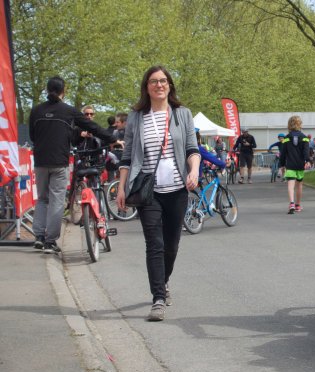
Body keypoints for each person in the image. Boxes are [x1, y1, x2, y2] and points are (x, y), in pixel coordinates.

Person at [116, 65, 200, 321]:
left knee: (171, 246)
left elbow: (191, 148)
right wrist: (121, 187)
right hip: (147, 190)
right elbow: (128, 155)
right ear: (147, 87)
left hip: (177, 189)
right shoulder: (136, 117)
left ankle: (163, 282)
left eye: (163, 81)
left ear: (169, 85)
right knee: (155, 244)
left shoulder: (182, 114)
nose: (159, 85)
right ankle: (158, 299)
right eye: (153, 81)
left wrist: (193, 170)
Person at [29, 77, 117, 253]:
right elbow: (92, 127)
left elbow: (32, 136)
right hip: (59, 161)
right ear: (64, 91)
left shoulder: (36, 111)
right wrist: (114, 139)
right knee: (56, 200)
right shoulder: (68, 111)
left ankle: (38, 236)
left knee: (43, 198)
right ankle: (50, 242)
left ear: (47, 89)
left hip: (40, 161)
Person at [279, 116, 310, 214]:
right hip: (300, 165)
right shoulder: (304, 138)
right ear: (300, 124)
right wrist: (308, 161)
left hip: (290, 165)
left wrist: (282, 164)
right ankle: (298, 205)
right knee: (299, 185)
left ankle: (291, 203)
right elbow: (306, 152)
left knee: (290, 185)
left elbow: (283, 153)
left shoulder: (286, 138)